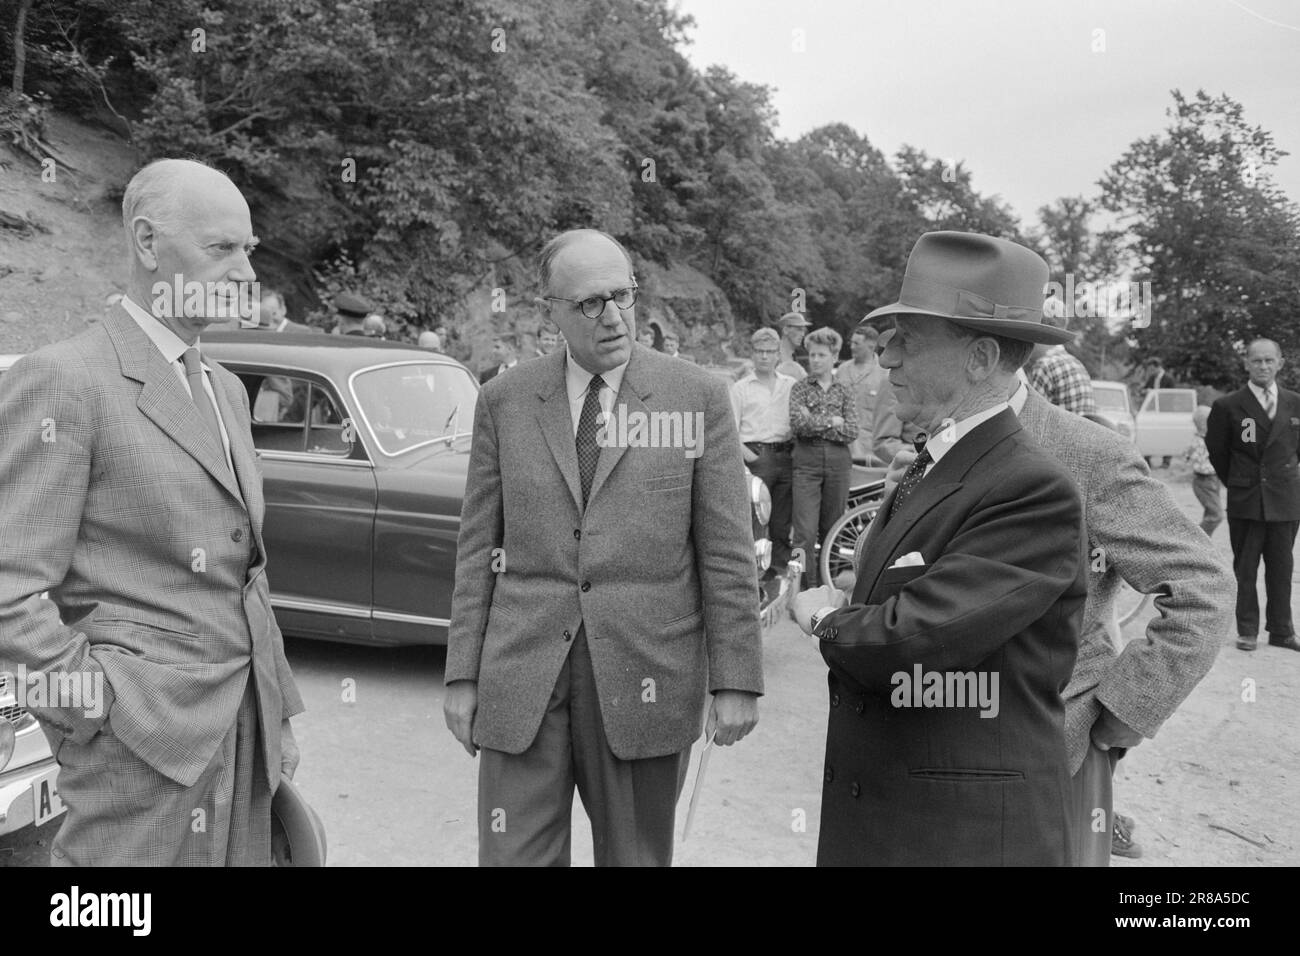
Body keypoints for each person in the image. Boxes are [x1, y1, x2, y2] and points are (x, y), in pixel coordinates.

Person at [0, 158, 303, 866]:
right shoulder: (67, 379)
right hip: (136, 754)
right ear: (147, 244)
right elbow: (8, 588)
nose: (244, 272)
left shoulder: (226, 388)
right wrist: (94, 711)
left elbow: (246, 574)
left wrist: (278, 711)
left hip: (244, 735)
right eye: (221, 249)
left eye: (249, 251)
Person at [443, 228, 763, 867]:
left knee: (635, 859)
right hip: (523, 675)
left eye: (623, 295)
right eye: (590, 303)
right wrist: (462, 673)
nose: (613, 316)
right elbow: (479, 546)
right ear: (551, 312)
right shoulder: (505, 401)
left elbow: (726, 551)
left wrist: (737, 681)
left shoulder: (697, 398)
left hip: (646, 675)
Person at [791, 231, 1087, 866]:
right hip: (898, 818)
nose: (888, 357)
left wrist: (823, 614)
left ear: (980, 357)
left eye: (908, 340)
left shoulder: (1031, 485)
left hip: (959, 836)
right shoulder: (939, 459)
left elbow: (908, 642)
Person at [1206, 338, 1300, 653]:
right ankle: (1247, 630)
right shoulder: (1228, 405)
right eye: (1256, 361)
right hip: (1246, 500)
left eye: (1269, 360)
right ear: (1246, 363)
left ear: (1280, 363)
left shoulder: (1295, 403)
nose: (1263, 366)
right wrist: (1240, 482)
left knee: (1282, 569)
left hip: (1285, 500)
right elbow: (1218, 453)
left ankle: (1282, 630)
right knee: (1244, 570)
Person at [789, 327, 857, 588]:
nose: (815, 360)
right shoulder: (799, 388)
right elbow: (797, 425)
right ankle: (803, 588)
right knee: (804, 533)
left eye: (821, 355)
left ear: (834, 357)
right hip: (806, 462)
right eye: (812, 355)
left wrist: (814, 420)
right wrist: (832, 421)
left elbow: (851, 430)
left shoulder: (845, 390)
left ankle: (830, 586)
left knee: (834, 530)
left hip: (839, 463)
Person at [731, 327, 797, 581]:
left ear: (778, 354)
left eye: (770, 352)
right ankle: (750, 572)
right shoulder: (741, 388)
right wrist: (752, 458)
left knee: (782, 520)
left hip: (785, 454)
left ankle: (778, 570)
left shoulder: (790, 385)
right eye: (760, 351)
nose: (765, 357)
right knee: (755, 518)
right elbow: (731, 429)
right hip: (757, 455)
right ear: (752, 353)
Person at [835, 324, 887, 464]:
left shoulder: (885, 374)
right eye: (851, 342)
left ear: (871, 345)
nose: (851, 347)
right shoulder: (842, 370)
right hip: (843, 447)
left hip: (871, 451)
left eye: (856, 343)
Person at [1028, 342, 1097, 415]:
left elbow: (1034, 412)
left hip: (1064, 424)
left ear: (1042, 341)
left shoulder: (1044, 365)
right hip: (1086, 424)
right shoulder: (1076, 362)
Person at [1186, 405, 1224, 537]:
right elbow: (1198, 464)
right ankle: (1196, 539)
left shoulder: (1208, 439)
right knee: (1216, 515)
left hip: (1213, 481)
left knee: (1210, 513)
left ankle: (1204, 542)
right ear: (1204, 424)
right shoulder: (1199, 442)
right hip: (1204, 481)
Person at [776, 312, 809, 380]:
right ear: (785, 330)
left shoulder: (794, 357)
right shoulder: (773, 355)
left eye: (803, 330)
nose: (803, 334)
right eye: (799, 329)